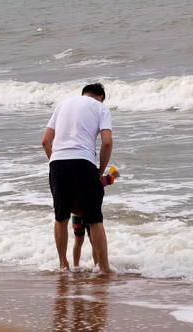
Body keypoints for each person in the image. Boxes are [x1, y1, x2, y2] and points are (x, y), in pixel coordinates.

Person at [42, 83, 113, 274]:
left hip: (57, 163)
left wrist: (54, 163)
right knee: (94, 218)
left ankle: (63, 265)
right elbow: (107, 142)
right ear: (100, 97)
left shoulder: (63, 105)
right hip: (83, 162)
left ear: (83, 94)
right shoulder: (100, 107)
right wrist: (100, 171)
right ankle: (104, 268)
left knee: (61, 217)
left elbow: (45, 141)